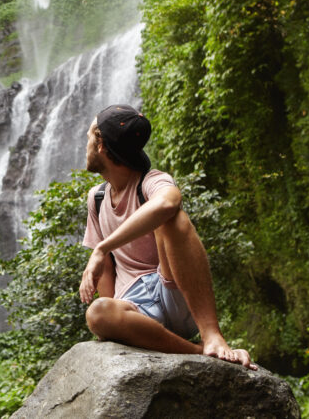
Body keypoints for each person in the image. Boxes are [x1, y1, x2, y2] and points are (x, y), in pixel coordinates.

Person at [79, 104, 255, 369]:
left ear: (102, 146)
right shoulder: (97, 198)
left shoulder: (151, 181)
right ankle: (197, 351)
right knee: (98, 312)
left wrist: (102, 248)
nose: (86, 143)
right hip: (138, 310)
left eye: (91, 135)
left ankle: (212, 336)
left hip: (172, 289)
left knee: (171, 218)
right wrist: (115, 313)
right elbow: (106, 272)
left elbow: (168, 203)